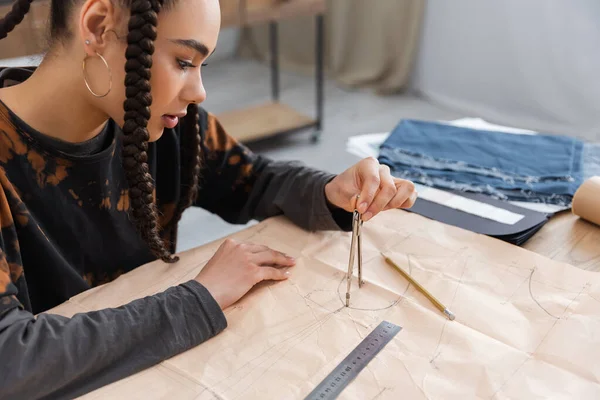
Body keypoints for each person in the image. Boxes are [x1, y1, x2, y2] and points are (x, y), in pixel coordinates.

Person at [0, 0, 417, 398]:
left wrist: (331, 192)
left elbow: (254, 179)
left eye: (201, 66)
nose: (198, 91)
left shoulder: (166, 127)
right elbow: (11, 361)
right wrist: (201, 296)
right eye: (183, 62)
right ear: (96, 27)